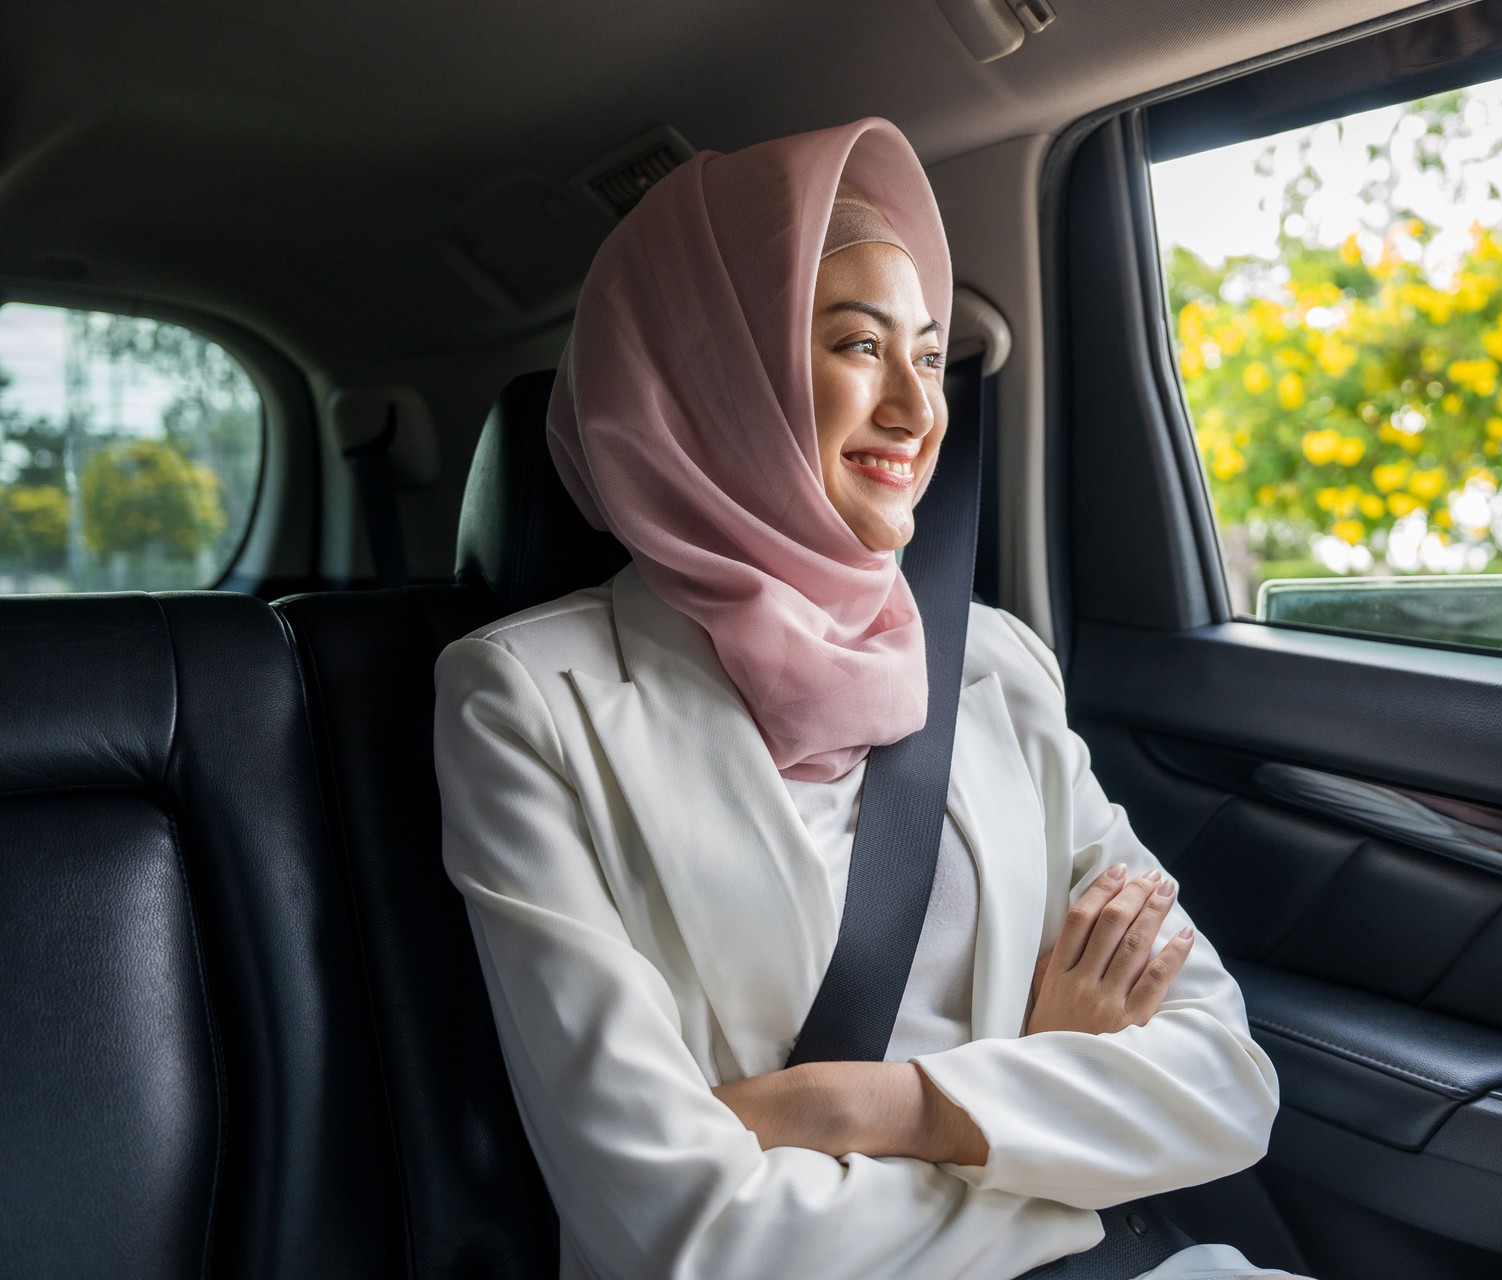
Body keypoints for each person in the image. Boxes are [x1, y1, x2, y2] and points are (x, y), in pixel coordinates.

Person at [434, 117, 1289, 1280]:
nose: (917, 410)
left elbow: (1228, 1084)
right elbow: (691, 1230)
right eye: (855, 345)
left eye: (929, 357)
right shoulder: (525, 701)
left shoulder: (997, 665)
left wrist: (875, 1106)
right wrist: (1054, 1128)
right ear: (712, 371)